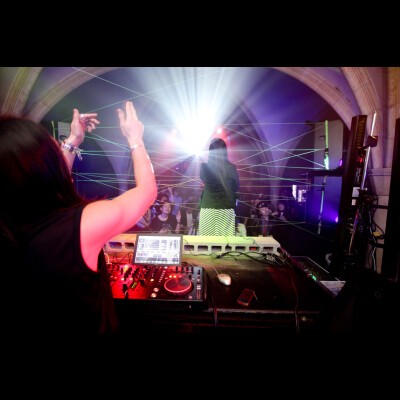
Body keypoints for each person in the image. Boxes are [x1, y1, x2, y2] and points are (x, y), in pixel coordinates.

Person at [0, 101, 157, 336]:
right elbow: (146, 191)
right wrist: (135, 139)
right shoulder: (79, 226)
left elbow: (45, 181)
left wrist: (73, 140)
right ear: (45, 167)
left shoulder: (12, 229)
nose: (60, 148)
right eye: (56, 148)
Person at [198, 138, 239, 236]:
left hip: (208, 208)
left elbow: (204, 180)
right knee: (225, 242)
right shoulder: (231, 167)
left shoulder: (204, 167)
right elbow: (236, 187)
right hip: (226, 208)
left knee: (206, 242)